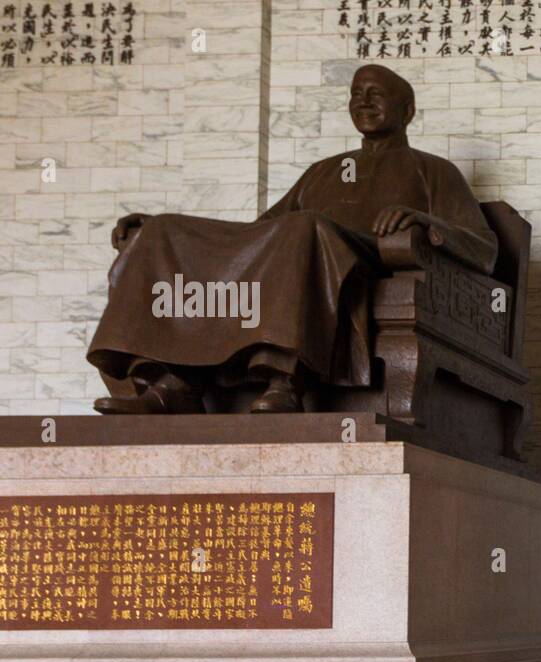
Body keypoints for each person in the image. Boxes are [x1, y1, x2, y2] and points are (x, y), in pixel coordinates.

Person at [88, 64, 498, 414]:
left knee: (304, 227)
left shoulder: (433, 171)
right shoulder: (324, 170)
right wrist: (169, 231)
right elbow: (257, 236)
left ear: (407, 110)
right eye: (356, 94)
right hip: (304, 247)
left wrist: (426, 222)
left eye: (376, 94)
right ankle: (174, 382)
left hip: (365, 263)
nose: (363, 102)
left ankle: (285, 380)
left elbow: (484, 248)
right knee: (164, 229)